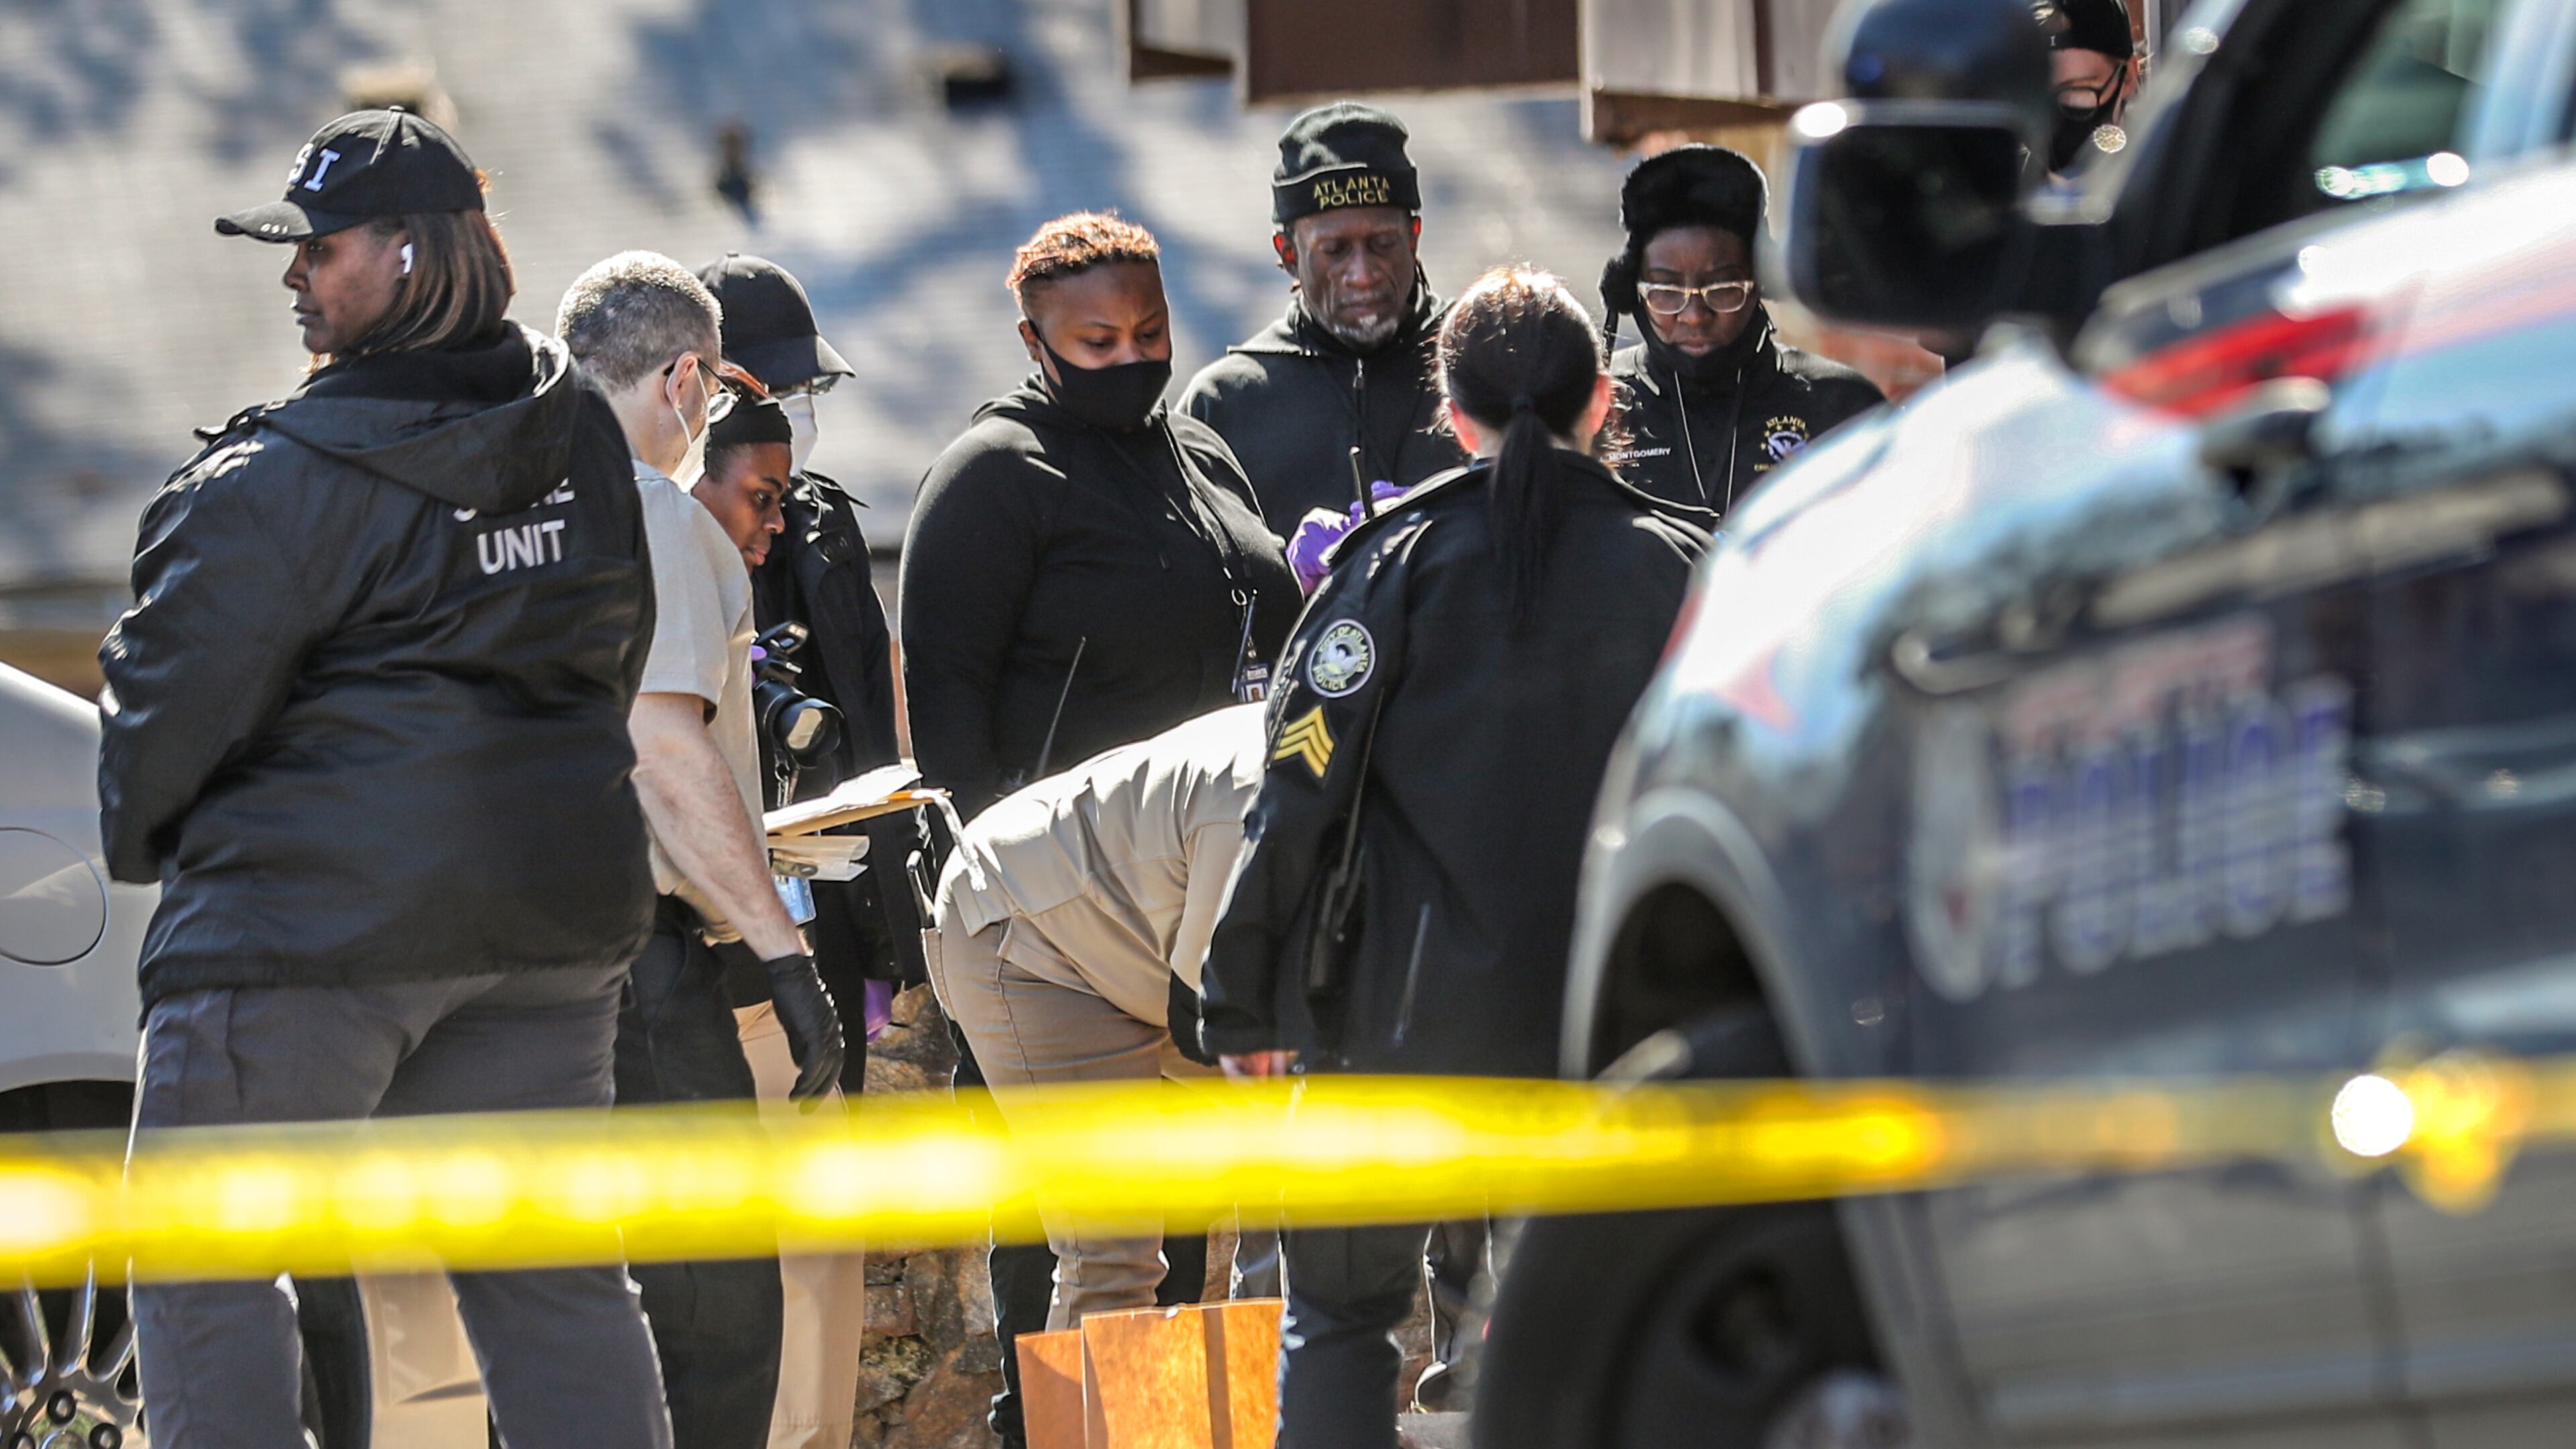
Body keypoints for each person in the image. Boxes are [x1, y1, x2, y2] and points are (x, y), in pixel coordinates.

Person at [99, 108, 672, 1448]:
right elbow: (615, 648)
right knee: (553, 1285)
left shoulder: (276, 480)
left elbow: (165, 718)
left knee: (201, 1261)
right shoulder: (580, 435)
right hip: (548, 923)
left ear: (411, 250)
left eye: (320, 247)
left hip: (309, 932)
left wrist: (142, 837)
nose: (294, 275)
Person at [1199, 267, 1709, 1449]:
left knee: (1340, 1317)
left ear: (1454, 413)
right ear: (1603, 401)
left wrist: (1242, 995)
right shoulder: (1689, 570)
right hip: (1629, 1031)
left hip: (1401, 1025)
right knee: (1621, 1335)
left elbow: (1298, 788)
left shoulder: (1389, 566)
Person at [902, 210, 1297, 1449]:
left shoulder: (1200, 453)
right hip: (1063, 914)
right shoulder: (994, 478)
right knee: (1081, 1240)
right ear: (1035, 343)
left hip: (1200, 882)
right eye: (1096, 342)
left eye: (1151, 332)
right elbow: (948, 726)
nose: (1132, 358)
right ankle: (1051, 1433)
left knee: (1188, 1233)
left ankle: (1163, 1435)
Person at [557, 250, 846, 1449]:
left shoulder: (497, 507)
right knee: (713, 1320)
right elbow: (664, 751)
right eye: (717, 390)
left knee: (559, 1326)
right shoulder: (652, 515)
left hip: (501, 964)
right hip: (637, 960)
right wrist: (787, 958)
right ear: (684, 378)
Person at [926, 704, 1265, 1328]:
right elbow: (1207, 1013)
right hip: (1028, 932)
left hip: (1141, 944)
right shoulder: (1255, 800)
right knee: (1110, 1253)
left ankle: (1283, 1389)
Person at [697, 253, 916, 1093]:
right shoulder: (669, 530)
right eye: (778, 391)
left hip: (837, 886)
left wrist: (890, 928)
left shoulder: (825, 525)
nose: (799, 411)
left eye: (808, 392)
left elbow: (874, 729)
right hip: (718, 912)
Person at [1180, 103, 1468, 536]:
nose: (1363, 274)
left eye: (1383, 244)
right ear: (1288, 255)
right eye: (1334, 251)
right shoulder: (1224, 405)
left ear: (1413, 238)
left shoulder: (1482, 360)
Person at [1597, 145, 1883, 519]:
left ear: (1761, 281)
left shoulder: (1842, 405)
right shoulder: (1594, 406)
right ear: (1631, 290)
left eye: (1723, 289)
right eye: (1666, 291)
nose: (1695, 316)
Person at [2037, 0, 2141, 177]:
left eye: (2078, 90)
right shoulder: (2000, 187)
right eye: (2038, 93)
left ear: (2128, 79)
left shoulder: (2173, 181)